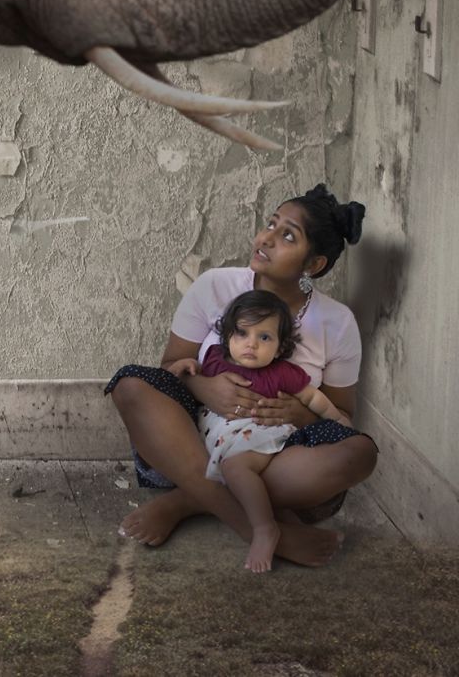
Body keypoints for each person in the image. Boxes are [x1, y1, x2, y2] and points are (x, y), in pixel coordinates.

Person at [106, 184, 376, 568]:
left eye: (287, 236)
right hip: (197, 440)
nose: (265, 238)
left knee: (361, 453)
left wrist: (301, 414)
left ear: (314, 265)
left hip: (273, 453)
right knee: (131, 387)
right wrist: (204, 387)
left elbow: (343, 418)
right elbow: (172, 367)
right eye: (271, 224)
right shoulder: (215, 286)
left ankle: (188, 500)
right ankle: (257, 528)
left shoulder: (337, 322)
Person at [168, 289, 350, 571]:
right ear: (228, 336)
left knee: (236, 469)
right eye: (242, 333)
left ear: (279, 347)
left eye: (264, 337)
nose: (251, 344)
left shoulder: (281, 373)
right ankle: (289, 526)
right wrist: (185, 365)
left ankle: (264, 528)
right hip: (220, 437)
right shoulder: (215, 360)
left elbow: (313, 398)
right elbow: (187, 376)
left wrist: (336, 419)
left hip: (260, 434)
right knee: (243, 479)